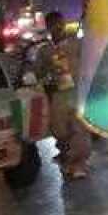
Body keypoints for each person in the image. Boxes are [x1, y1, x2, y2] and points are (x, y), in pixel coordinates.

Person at [36, 11, 92, 180]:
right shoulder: (45, 50)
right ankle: (67, 158)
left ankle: (79, 163)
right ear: (48, 27)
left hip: (77, 92)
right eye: (53, 24)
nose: (58, 27)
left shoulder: (77, 44)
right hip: (58, 95)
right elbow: (39, 72)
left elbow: (90, 59)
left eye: (60, 23)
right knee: (60, 130)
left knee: (79, 129)